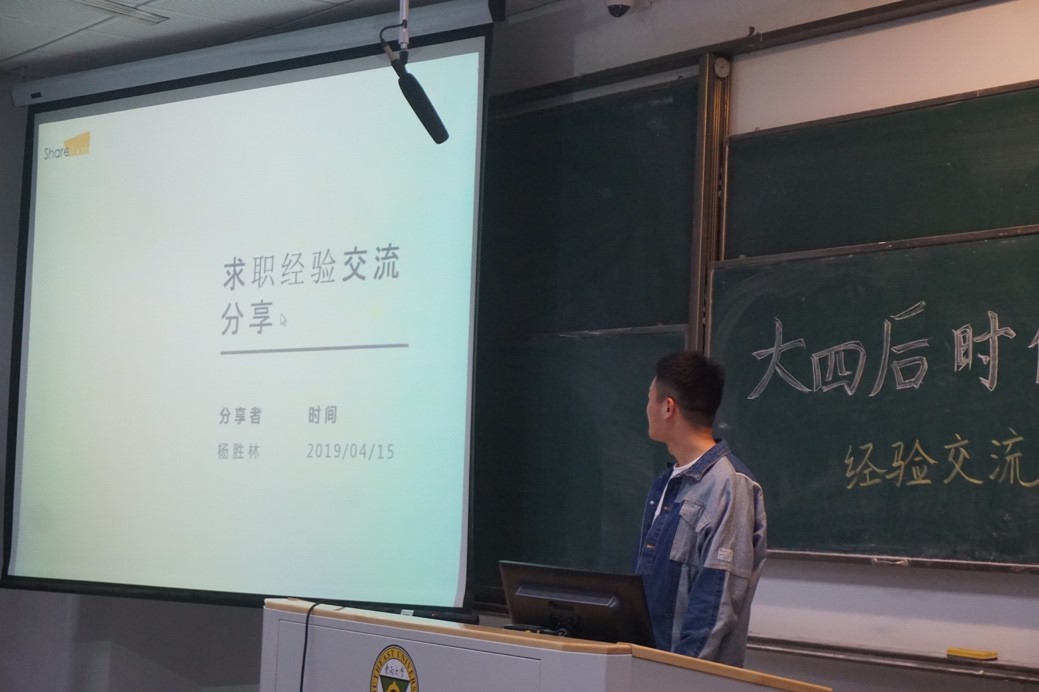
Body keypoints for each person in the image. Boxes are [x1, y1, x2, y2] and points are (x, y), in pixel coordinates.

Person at [633, 350, 767, 668]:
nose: (646, 408)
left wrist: (680, 675)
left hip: (686, 678)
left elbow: (716, 604)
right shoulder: (664, 484)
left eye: (649, 398)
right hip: (646, 669)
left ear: (668, 407)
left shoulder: (729, 485)